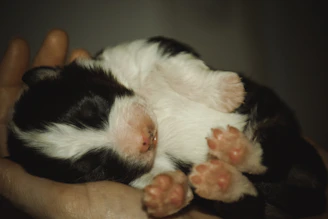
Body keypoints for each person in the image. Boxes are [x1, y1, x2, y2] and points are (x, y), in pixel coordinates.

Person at [0, 29, 326, 219]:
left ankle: (256, 157)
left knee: (308, 178)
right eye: (97, 161)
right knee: (237, 202)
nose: (134, 143)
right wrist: (171, 190)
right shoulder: (132, 172)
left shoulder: (121, 62)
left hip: (265, 123)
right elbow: (146, 182)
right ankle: (240, 189)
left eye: (94, 113)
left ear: (71, 74)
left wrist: (201, 83)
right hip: (237, 187)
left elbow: (160, 51)